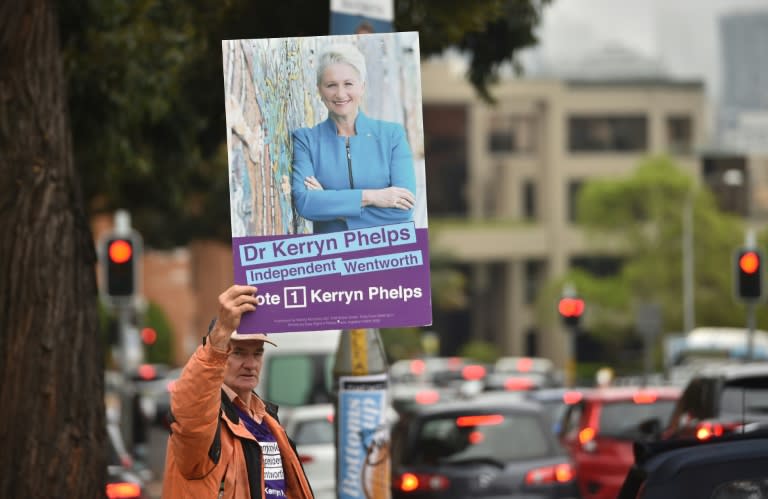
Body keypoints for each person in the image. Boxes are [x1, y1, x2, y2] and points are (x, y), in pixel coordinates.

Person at [161, 285, 314, 499]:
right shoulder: (206, 421)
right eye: (239, 353)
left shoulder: (267, 418)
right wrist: (221, 333)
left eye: (257, 354)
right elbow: (192, 399)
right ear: (221, 354)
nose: (250, 364)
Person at [291, 43, 417, 233]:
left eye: (348, 84)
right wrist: (372, 197)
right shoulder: (305, 140)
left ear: (362, 87)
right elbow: (305, 203)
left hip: (384, 256)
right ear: (319, 90)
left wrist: (328, 201)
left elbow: (404, 211)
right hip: (330, 256)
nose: (340, 94)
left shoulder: (392, 136)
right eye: (331, 85)